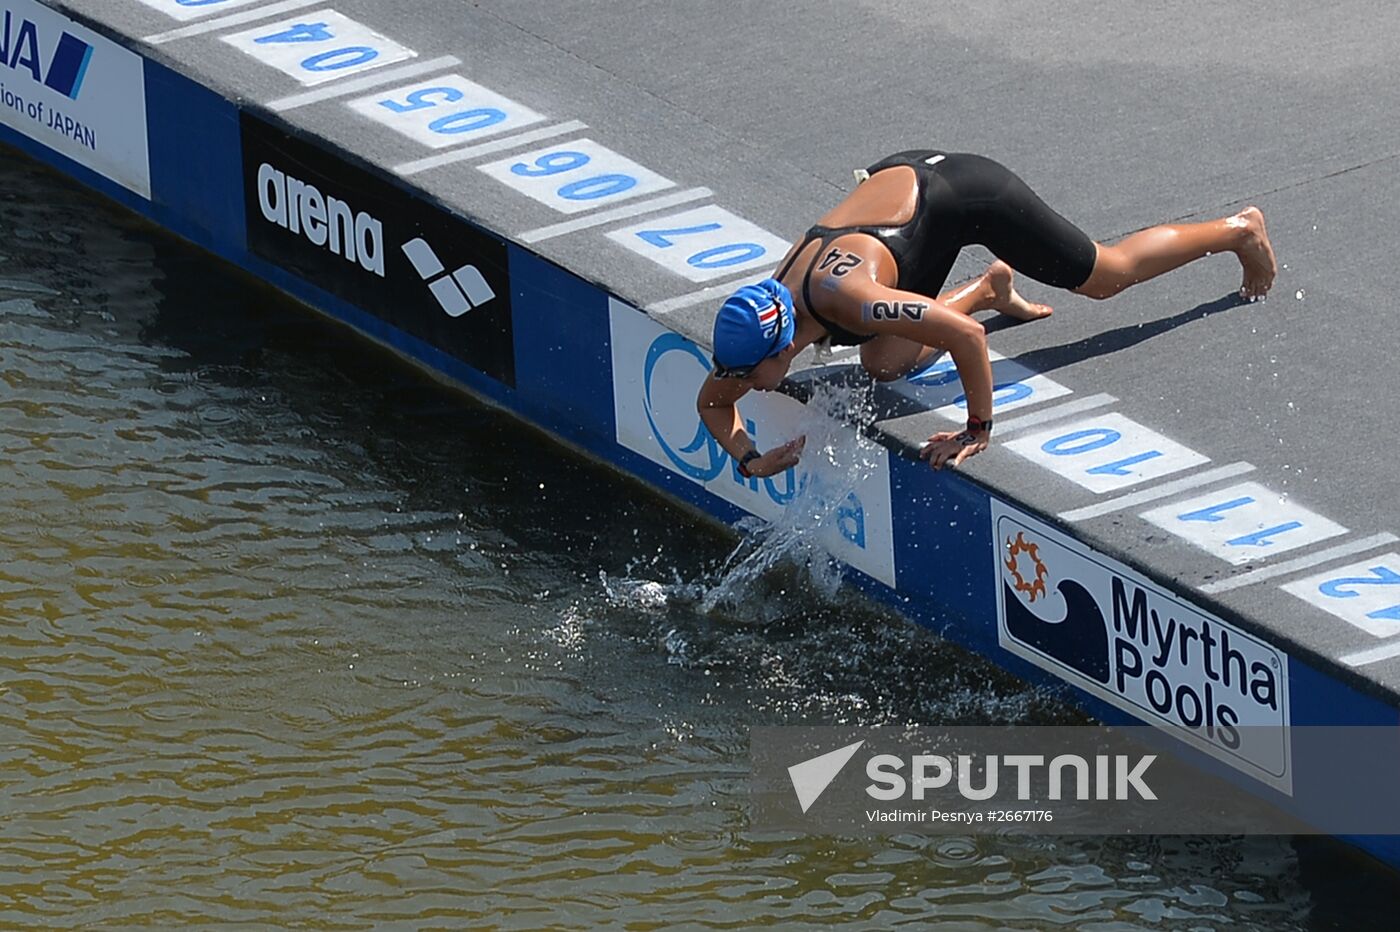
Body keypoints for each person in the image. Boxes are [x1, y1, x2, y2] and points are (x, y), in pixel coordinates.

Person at [696, 149, 1277, 475]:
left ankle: (1237, 231)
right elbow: (713, 401)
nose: (738, 384)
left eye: (744, 375)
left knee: (1106, 275)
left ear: (777, 350)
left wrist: (977, 431)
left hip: (964, 191)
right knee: (883, 360)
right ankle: (991, 285)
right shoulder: (765, 316)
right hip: (906, 208)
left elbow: (966, 338)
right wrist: (750, 461)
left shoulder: (844, 298)